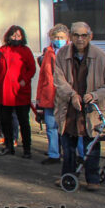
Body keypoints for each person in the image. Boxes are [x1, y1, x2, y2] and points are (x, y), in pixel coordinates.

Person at [54, 22, 105, 190]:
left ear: (90, 36)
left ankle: (93, 179)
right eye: (76, 35)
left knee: (92, 145)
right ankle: (67, 177)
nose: (80, 39)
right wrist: (72, 95)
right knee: (68, 146)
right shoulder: (62, 54)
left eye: (83, 35)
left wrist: (95, 95)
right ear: (71, 37)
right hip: (69, 108)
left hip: (92, 109)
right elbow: (58, 80)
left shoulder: (101, 56)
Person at [0, 25, 37, 158]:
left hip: (20, 91)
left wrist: (24, 80)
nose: (16, 38)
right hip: (5, 91)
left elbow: (32, 68)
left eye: (18, 36)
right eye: (13, 35)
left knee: (23, 122)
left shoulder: (26, 51)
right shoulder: (4, 50)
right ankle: (8, 146)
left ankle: (27, 149)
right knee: (5, 121)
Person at [35, 25, 69, 165]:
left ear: (66, 38)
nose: (58, 40)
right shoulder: (48, 53)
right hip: (49, 94)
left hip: (65, 95)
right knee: (51, 126)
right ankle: (54, 154)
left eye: (61, 37)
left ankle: (70, 154)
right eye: (56, 37)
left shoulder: (70, 52)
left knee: (67, 128)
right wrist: (39, 96)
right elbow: (43, 75)